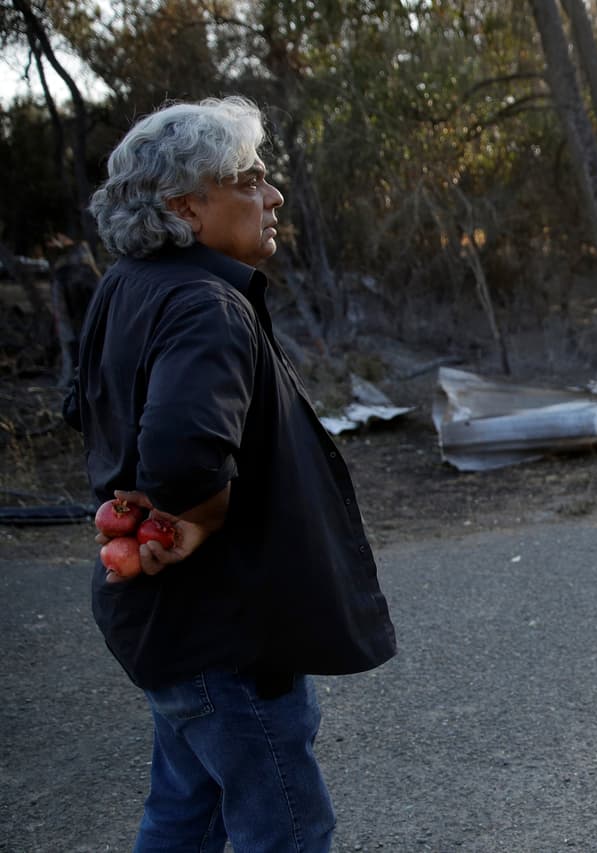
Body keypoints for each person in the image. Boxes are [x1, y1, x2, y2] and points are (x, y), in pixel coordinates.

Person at [64, 96, 396, 851]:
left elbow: (90, 409)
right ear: (186, 205)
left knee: (184, 815)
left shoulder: (129, 284)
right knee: (286, 825)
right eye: (247, 180)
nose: (272, 195)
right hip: (226, 628)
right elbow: (182, 453)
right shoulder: (206, 303)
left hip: (168, 624)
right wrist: (202, 513)